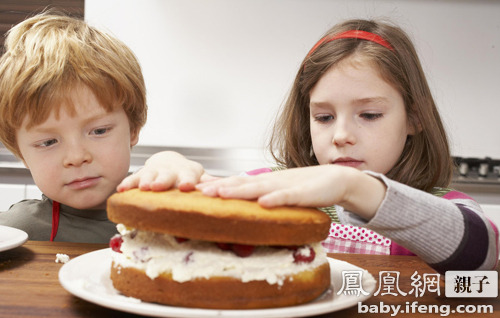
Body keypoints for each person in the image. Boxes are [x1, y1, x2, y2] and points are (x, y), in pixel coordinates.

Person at [121, 19, 499, 273]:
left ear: (414, 118)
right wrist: (170, 164)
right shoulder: (273, 189)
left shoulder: (447, 207)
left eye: (369, 115)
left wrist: (354, 188)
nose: (341, 135)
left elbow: (484, 256)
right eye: (324, 117)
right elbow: (207, 201)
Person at [0, 12, 151, 243]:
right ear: (21, 154)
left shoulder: (167, 211)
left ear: (133, 129)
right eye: (49, 142)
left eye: (99, 131)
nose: (77, 157)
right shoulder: (17, 231)